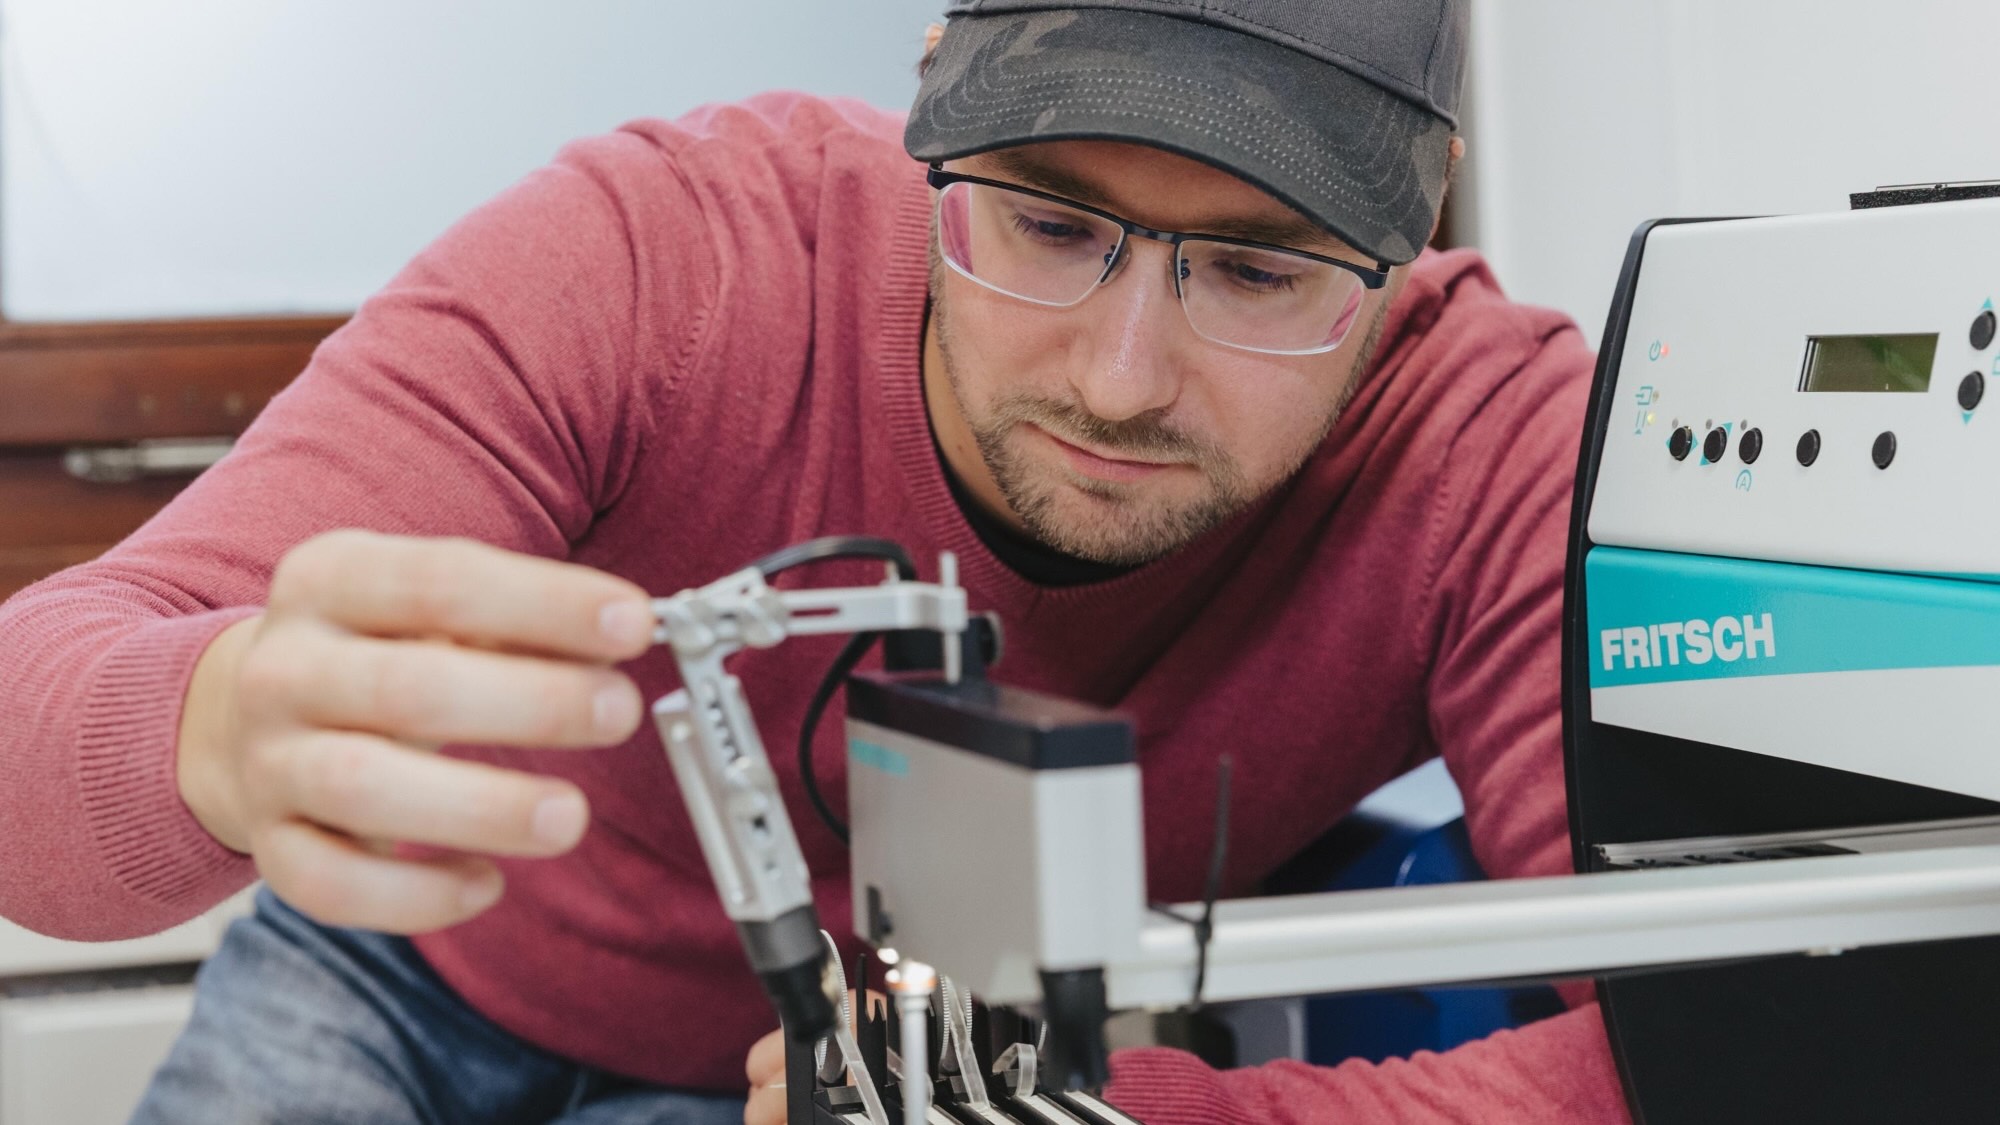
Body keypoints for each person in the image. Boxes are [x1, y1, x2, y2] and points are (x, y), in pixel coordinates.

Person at [0, 2, 1631, 1122]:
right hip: (399, 973)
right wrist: (205, 728)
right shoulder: (668, 262)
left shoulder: (1493, 448)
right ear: (935, 106)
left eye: (1262, 271)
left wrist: (1108, 1112)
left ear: (1423, 212)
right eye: (1051, 228)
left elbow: (1725, 1040)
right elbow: (42, 719)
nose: (1121, 380)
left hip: (814, 1084)